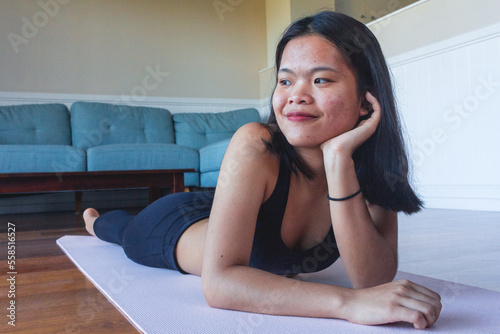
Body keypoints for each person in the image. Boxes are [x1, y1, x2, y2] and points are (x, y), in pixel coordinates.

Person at [83, 11, 442, 329]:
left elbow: (373, 279)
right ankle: (94, 220)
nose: (295, 95)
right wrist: (346, 303)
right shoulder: (256, 143)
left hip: (224, 208)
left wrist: (339, 163)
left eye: (321, 80)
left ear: (366, 102)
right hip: (170, 223)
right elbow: (220, 284)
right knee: (121, 229)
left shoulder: (373, 165)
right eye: (285, 81)